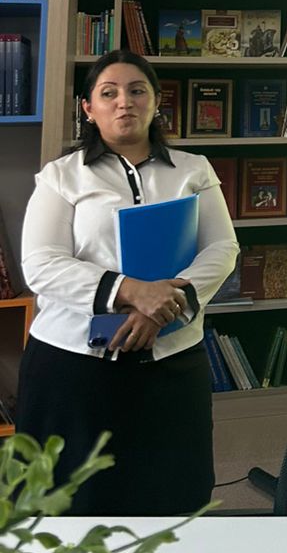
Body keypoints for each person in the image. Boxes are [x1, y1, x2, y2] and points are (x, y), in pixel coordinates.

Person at [15, 49, 240, 514]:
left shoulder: (193, 170)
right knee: (71, 501)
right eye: (108, 93)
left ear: (156, 101)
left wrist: (163, 307)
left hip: (172, 358)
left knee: (173, 494)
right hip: (73, 365)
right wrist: (133, 291)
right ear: (88, 108)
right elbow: (41, 264)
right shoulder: (61, 176)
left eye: (137, 91)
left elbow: (222, 249)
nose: (124, 102)